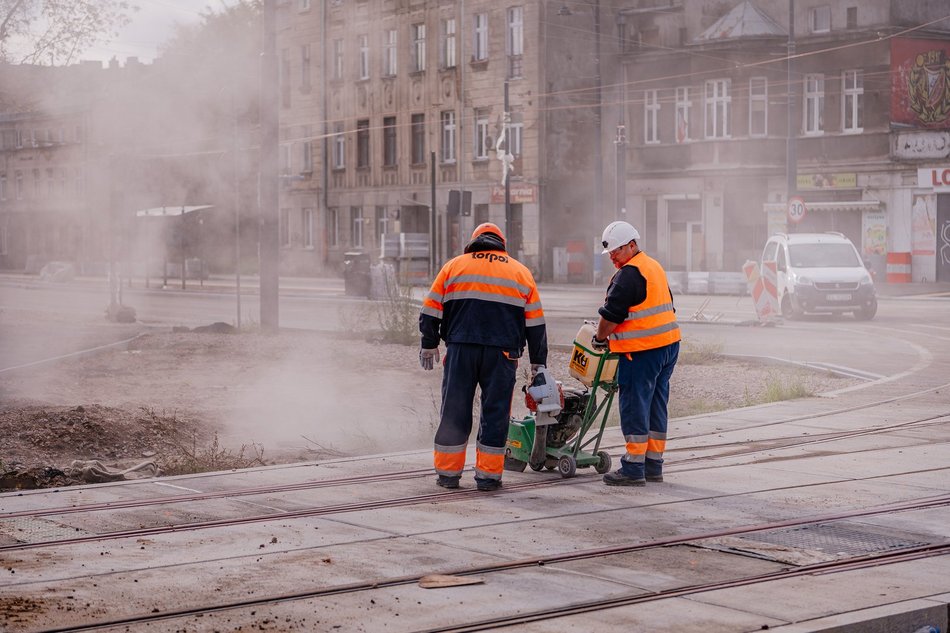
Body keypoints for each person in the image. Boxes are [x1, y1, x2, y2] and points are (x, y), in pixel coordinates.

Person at [419, 222, 548, 491]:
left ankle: (448, 474)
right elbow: (535, 324)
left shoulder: (454, 266)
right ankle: (488, 477)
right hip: (502, 355)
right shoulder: (520, 272)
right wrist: (538, 363)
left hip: (460, 349)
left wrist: (429, 344)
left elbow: (431, 310)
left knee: (454, 409)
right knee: (496, 412)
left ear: (474, 242)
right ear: (502, 245)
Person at [593, 221, 680, 487]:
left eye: (616, 252)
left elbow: (610, 317)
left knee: (634, 405)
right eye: (609, 254)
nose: (612, 258)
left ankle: (633, 467)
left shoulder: (628, 275)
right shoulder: (652, 266)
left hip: (641, 351)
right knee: (656, 404)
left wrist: (599, 339)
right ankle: (653, 464)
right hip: (668, 346)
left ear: (631, 245)